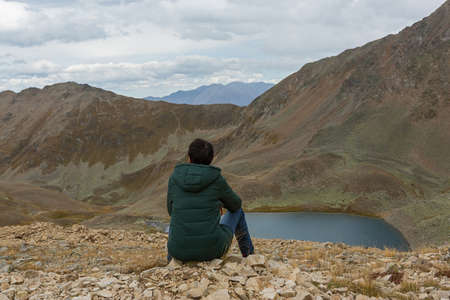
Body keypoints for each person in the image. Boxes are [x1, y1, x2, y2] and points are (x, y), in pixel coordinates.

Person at [166, 138, 254, 262]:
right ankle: (250, 257)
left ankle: (171, 261)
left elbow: (171, 211)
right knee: (238, 212)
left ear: (189, 158)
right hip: (212, 250)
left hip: (177, 251)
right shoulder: (216, 179)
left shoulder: (174, 178)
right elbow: (235, 205)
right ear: (211, 159)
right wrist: (219, 203)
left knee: (177, 220)